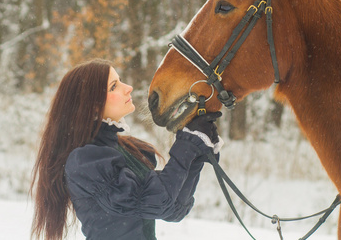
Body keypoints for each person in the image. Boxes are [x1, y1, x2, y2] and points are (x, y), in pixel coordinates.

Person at [30, 58, 223, 240]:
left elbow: (173, 210)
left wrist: (197, 152)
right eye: (114, 86)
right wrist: (187, 143)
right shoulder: (86, 161)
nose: (128, 88)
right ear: (92, 106)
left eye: (120, 81)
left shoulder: (123, 151)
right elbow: (159, 201)